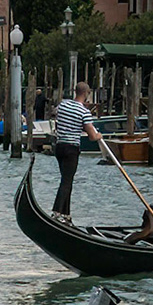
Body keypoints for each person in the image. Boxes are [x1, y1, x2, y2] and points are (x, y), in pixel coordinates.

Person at [50, 82, 104, 221]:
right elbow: (92, 136)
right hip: (71, 149)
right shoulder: (84, 112)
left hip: (59, 146)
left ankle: (66, 214)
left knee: (66, 180)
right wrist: (99, 135)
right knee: (67, 181)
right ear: (86, 94)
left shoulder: (63, 104)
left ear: (75, 91)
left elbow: (55, 115)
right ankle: (56, 212)